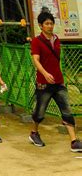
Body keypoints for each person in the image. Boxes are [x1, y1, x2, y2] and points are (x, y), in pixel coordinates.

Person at [28, 10, 82, 152]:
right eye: (47, 24)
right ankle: (34, 133)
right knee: (40, 112)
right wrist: (45, 73)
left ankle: (74, 141)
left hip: (58, 82)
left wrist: (58, 77)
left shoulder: (56, 39)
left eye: (51, 23)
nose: (50, 26)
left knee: (67, 111)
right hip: (44, 83)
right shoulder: (36, 41)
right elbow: (36, 60)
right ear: (40, 25)